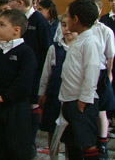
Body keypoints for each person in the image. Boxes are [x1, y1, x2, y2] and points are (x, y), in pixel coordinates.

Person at [0, 9, 37, 160]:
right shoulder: (0, 52)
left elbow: (24, 82)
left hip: (16, 109)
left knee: (15, 149)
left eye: (2, 25)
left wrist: (5, 97)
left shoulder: (26, 53)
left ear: (16, 30)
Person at [8, 0, 53, 157]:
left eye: (10, 1)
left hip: (35, 75)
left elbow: (47, 50)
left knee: (32, 106)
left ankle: (30, 142)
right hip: (18, 73)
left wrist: (42, 78)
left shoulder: (39, 21)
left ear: (20, 2)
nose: (8, 3)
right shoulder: (16, 19)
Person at [58, 0, 101, 160]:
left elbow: (92, 71)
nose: (66, 19)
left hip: (82, 102)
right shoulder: (79, 39)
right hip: (70, 100)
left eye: (67, 16)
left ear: (75, 19)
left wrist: (84, 98)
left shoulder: (90, 42)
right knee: (73, 140)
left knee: (86, 141)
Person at [38, 13, 78, 160]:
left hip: (72, 95)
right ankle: (53, 156)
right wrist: (42, 92)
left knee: (70, 132)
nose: (67, 29)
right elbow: (46, 73)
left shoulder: (81, 47)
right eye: (63, 25)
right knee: (51, 127)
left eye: (70, 26)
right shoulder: (54, 49)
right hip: (55, 93)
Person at [84, 0, 115, 159]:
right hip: (84, 73)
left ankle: (102, 145)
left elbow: (110, 56)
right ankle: (87, 143)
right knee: (86, 110)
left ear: (99, 10)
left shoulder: (105, 30)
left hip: (101, 72)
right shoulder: (81, 29)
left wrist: (109, 75)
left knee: (101, 112)